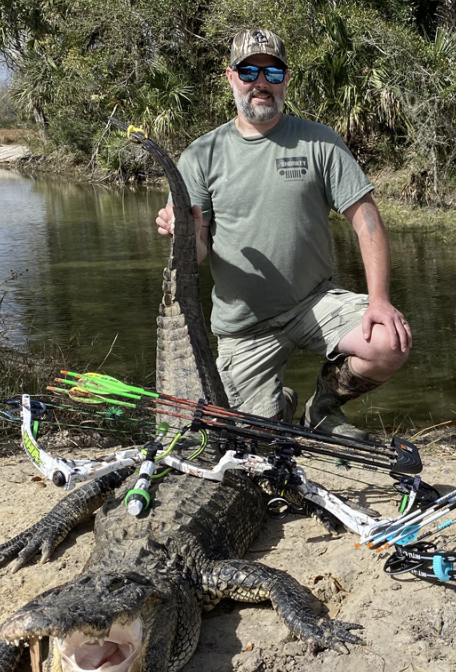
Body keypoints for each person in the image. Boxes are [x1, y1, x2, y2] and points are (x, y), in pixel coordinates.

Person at [156, 28, 410, 442]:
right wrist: (181, 234)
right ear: (231, 77)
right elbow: (199, 251)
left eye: (273, 73)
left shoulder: (319, 141)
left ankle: (323, 408)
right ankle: (279, 405)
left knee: (388, 342)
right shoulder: (201, 154)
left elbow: (367, 221)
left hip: (315, 301)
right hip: (244, 326)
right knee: (251, 439)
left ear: (286, 80)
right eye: (249, 71)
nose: (261, 82)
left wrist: (379, 300)